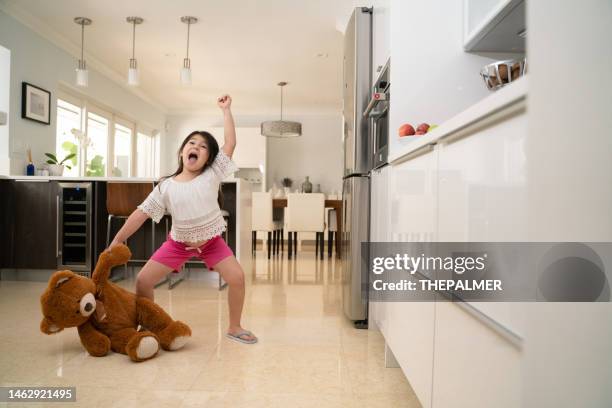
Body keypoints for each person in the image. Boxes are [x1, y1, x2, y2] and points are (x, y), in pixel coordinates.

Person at [108, 94, 257, 344]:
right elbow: (139, 214)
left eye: (203, 146)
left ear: (208, 158)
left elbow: (230, 142)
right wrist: (118, 239)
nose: (196, 147)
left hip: (211, 243)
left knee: (237, 278)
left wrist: (226, 110)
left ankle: (234, 326)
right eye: (192, 143)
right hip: (178, 244)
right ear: (182, 152)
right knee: (143, 280)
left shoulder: (212, 175)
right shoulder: (166, 186)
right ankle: (149, 325)